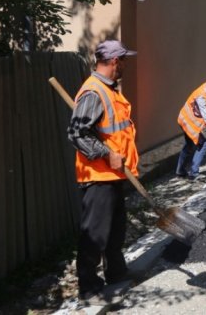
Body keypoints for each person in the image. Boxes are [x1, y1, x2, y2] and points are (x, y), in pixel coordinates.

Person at [67, 40, 139, 304]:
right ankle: (88, 289)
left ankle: (116, 273)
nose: (125, 66)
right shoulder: (93, 92)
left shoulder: (110, 90)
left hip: (115, 174)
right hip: (98, 176)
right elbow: (76, 133)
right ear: (114, 61)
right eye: (124, 61)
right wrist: (107, 154)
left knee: (115, 229)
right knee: (94, 234)